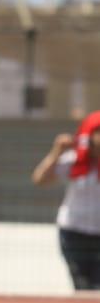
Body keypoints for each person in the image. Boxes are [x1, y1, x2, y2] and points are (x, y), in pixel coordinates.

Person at [32, 112, 100, 290]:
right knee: (82, 284)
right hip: (74, 230)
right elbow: (40, 179)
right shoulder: (75, 160)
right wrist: (57, 152)